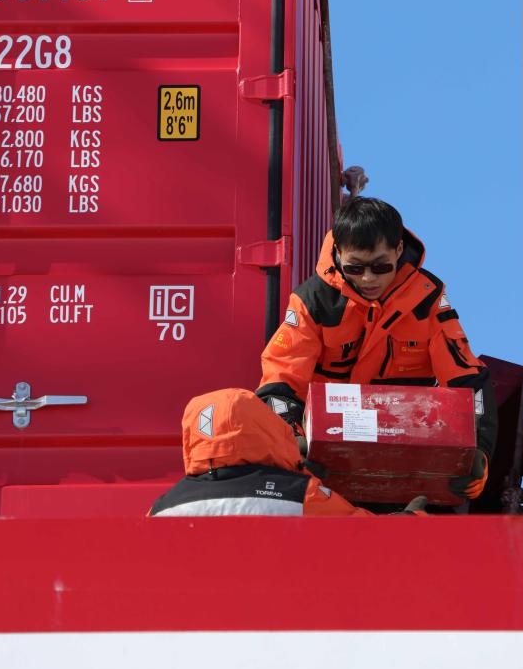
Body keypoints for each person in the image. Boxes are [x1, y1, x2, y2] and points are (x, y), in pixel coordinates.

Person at [256, 197, 497, 501]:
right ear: (339, 253)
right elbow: (279, 382)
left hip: (406, 465)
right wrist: (291, 445)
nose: (369, 279)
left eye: (381, 266)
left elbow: (469, 381)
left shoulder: (428, 301)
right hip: (323, 468)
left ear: (398, 250)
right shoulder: (312, 302)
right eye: (355, 268)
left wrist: (479, 453)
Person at [148, 387, 427, 517]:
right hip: (276, 615)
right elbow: (363, 537)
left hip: (198, 621)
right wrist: (412, 519)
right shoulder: (298, 492)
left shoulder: (162, 506)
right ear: (266, 428)